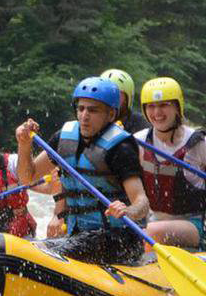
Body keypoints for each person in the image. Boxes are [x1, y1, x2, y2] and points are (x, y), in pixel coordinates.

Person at [14, 77, 149, 247]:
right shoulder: (64, 138)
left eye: (93, 110)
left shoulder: (121, 148)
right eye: (81, 109)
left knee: (42, 250)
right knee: (33, 247)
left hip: (117, 239)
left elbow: (141, 202)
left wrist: (128, 211)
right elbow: (28, 177)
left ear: (111, 115)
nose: (84, 116)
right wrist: (24, 144)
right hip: (77, 236)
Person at [131, 76, 206, 250]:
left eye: (164, 105)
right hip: (153, 220)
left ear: (177, 107)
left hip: (196, 226)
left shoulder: (199, 143)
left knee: (148, 233)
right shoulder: (138, 141)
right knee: (135, 231)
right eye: (151, 106)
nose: (157, 112)